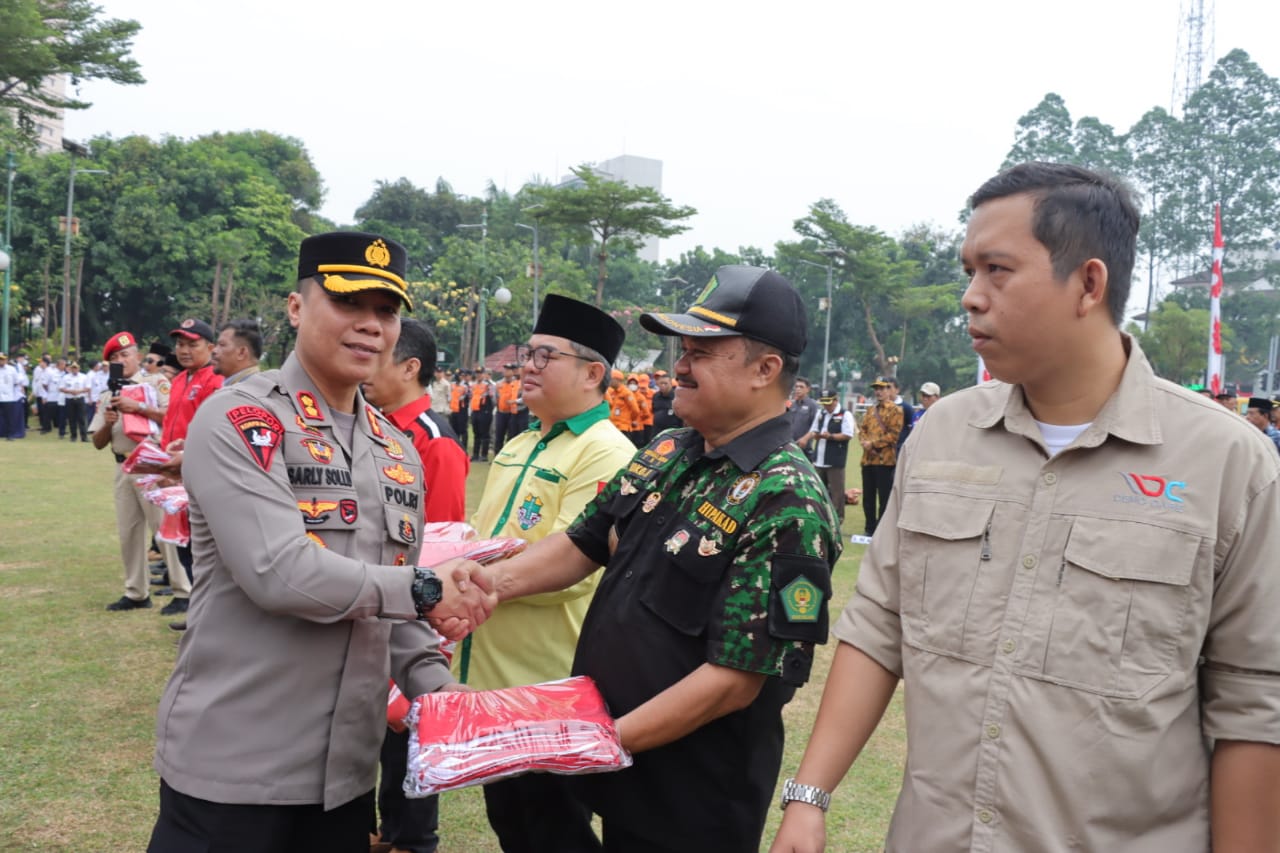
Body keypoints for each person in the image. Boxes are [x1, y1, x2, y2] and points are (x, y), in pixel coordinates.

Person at [771, 162, 1280, 853]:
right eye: (968, 271)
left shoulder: (1227, 462)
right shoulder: (945, 434)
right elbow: (880, 622)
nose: (971, 297)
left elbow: (1253, 705)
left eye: (997, 270)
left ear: (1089, 284)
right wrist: (809, 795)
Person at [147, 230, 495, 853]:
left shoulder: (397, 449)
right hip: (236, 767)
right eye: (348, 303)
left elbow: (396, 607)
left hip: (344, 779)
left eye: (385, 312)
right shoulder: (240, 419)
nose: (370, 326)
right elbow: (278, 572)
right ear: (297, 307)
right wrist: (422, 587)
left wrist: (438, 689)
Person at [476, 266, 840, 852]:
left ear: (765, 369)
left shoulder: (788, 501)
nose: (680, 367)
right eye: (683, 350)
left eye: (702, 352)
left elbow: (735, 681)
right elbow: (583, 543)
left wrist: (598, 740)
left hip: (689, 794)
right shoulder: (671, 448)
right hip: (615, 752)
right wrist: (485, 587)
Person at [460, 294, 635, 853]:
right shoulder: (519, 441)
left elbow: (576, 570)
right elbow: (486, 539)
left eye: (545, 356)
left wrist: (465, 578)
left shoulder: (606, 452)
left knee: (552, 831)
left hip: (547, 686)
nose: (528, 366)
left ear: (592, 373)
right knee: (513, 825)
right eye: (528, 354)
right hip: (488, 676)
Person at [362, 317, 470, 853]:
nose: (363, 368)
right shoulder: (373, 426)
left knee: (411, 731)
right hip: (375, 601)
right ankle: (389, 831)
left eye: (377, 357)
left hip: (414, 610)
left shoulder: (434, 441)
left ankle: (414, 838)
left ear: (409, 368)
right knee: (380, 734)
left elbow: (443, 547)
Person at [88, 331, 173, 611]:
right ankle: (137, 592)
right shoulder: (107, 394)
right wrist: (107, 423)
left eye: (125, 355)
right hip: (123, 465)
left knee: (164, 529)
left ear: (137, 356)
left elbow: (170, 418)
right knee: (129, 532)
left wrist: (138, 407)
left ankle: (184, 591)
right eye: (114, 357)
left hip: (151, 463)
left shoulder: (156, 383)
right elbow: (98, 443)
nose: (121, 360)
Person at [857, 377, 903, 536]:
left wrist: (873, 444)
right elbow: (862, 429)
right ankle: (869, 528)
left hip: (885, 460)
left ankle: (882, 531)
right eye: (876, 388)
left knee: (884, 497)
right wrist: (863, 441)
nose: (879, 391)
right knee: (868, 497)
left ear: (889, 390)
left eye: (883, 388)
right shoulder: (870, 410)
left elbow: (894, 435)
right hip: (868, 460)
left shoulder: (896, 410)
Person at [802, 389, 854, 525]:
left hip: (835, 460)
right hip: (819, 458)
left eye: (829, 403)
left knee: (837, 493)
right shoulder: (821, 413)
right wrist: (805, 438)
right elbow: (814, 430)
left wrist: (830, 436)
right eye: (824, 403)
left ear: (836, 400)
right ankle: (820, 517)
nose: (826, 406)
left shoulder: (844, 414)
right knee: (818, 490)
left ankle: (837, 520)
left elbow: (848, 434)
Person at [210, 318, 263, 386]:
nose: (214, 350)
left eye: (222, 345)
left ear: (241, 353)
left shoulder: (247, 392)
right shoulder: (233, 386)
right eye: (217, 345)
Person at [605, 368, 640, 445]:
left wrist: (630, 420)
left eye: (611, 379)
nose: (609, 381)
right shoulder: (612, 392)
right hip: (613, 427)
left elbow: (635, 410)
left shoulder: (626, 393)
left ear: (617, 380)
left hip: (623, 428)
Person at [59, 361, 92, 441]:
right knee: (71, 418)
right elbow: (61, 388)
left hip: (80, 399)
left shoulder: (84, 377)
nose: (74, 369)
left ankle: (84, 437)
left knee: (82, 418)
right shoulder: (66, 377)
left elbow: (88, 388)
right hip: (70, 399)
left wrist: (79, 391)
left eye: (76, 368)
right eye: (73, 368)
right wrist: (70, 391)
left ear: (79, 368)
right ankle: (73, 437)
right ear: (70, 369)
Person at [493, 362, 520, 456]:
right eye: (505, 369)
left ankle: (507, 455)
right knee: (499, 435)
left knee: (511, 436)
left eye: (509, 370)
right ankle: (497, 455)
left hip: (511, 413)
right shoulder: (499, 384)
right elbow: (496, 397)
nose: (506, 372)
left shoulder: (515, 383)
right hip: (501, 412)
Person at [469, 366, 495, 461]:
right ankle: (475, 454)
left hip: (485, 411)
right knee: (476, 433)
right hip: (475, 411)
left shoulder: (489, 385)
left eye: (480, 373)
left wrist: (489, 410)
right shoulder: (474, 385)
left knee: (485, 433)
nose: (478, 375)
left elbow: (493, 399)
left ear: (484, 374)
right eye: (477, 373)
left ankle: (484, 455)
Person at [788, 377, 820, 454]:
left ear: (808, 389)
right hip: (790, 446)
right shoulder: (792, 405)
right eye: (796, 386)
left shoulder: (813, 405)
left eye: (801, 387)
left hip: (804, 447)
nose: (798, 389)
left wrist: (805, 438)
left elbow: (816, 426)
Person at [649, 369, 682, 433]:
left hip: (672, 431)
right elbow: (654, 411)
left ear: (670, 383)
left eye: (665, 383)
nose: (663, 385)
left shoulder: (677, 397)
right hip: (657, 431)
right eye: (661, 383)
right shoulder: (656, 396)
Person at [888, 377, 914, 449]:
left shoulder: (906, 408)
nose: (886, 390)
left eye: (889, 387)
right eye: (884, 388)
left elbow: (912, 428)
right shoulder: (879, 407)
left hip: (899, 448)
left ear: (897, 390)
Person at [0, 353, 20, 439]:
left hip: (8, 398)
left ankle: (10, 434)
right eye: (0, 359)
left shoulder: (11, 369)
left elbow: (16, 382)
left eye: (3, 359)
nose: (1, 361)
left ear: (6, 360)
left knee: (9, 417)